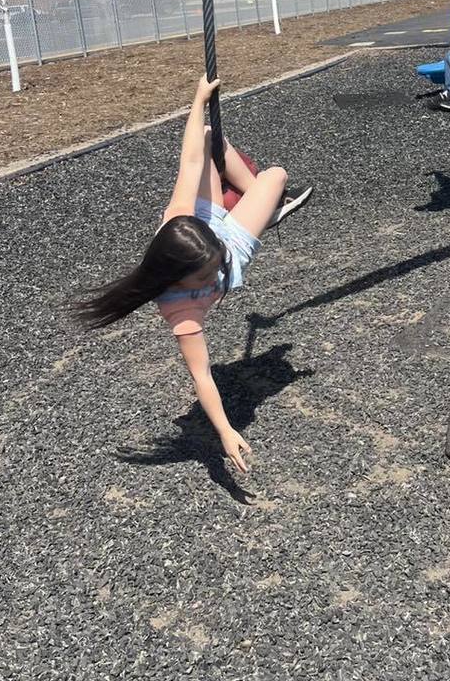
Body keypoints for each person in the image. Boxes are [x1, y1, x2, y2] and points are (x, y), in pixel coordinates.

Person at [75, 75, 312, 472]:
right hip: (227, 245)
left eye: (214, 269)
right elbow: (202, 376)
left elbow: (188, 158)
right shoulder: (181, 310)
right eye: (208, 275)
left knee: (206, 136)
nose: (215, 274)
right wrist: (225, 431)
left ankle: (262, 207)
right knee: (277, 176)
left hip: (205, 229)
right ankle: (265, 206)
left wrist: (198, 98)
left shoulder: (179, 217)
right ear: (183, 281)